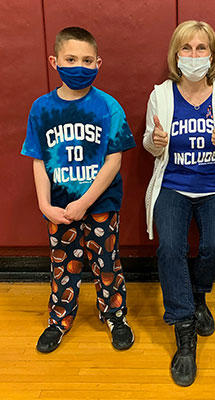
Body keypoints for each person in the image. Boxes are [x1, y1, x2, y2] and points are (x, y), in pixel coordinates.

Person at [143, 20, 215, 386]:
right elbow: (149, 144)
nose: (193, 55)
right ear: (175, 55)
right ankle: (185, 330)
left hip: (214, 187)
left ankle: (197, 292)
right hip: (172, 185)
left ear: (212, 55)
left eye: (201, 48)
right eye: (186, 49)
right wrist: (156, 140)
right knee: (170, 247)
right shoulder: (161, 94)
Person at [21, 27, 136, 353]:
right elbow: (38, 160)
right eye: (71, 59)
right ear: (54, 60)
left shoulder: (108, 107)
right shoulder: (41, 109)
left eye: (87, 60)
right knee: (62, 265)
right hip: (59, 205)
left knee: (106, 263)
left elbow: (114, 161)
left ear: (98, 63)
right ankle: (59, 321)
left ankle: (115, 316)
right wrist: (44, 204)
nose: (79, 66)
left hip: (101, 202)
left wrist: (85, 202)